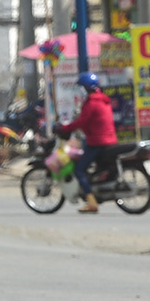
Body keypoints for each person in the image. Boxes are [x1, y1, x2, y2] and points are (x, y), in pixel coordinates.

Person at [59, 72, 117, 213]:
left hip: (97, 141)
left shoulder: (92, 102)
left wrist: (65, 128)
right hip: (109, 139)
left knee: (79, 170)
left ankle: (91, 203)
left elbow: (82, 121)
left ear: (85, 88)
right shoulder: (104, 100)